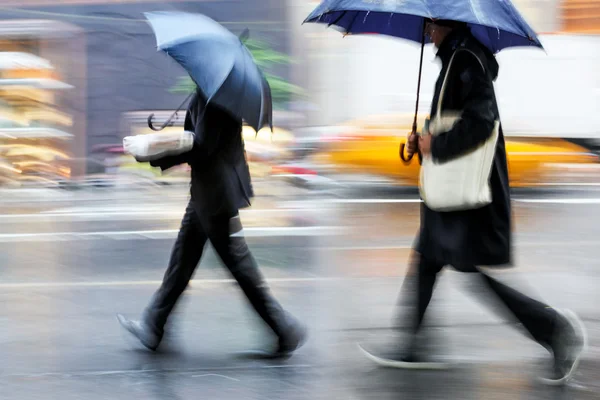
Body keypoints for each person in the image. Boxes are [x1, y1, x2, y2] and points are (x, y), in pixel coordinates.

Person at [361, 19, 586, 385]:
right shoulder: (454, 58)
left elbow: (481, 123)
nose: (426, 30)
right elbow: (451, 122)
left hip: (468, 191)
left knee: (465, 268)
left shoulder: (465, 60)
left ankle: (555, 330)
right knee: (428, 259)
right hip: (454, 187)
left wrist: (437, 145)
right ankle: (414, 345)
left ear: (447, 22)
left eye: (431, 25)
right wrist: (421, 143)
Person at [117, 90, 307, 358]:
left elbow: (201, 146)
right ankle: (154, 326)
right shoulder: (208, 92)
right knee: (182, 262)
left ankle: (284, 329)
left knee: (239, 268)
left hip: (216, 197)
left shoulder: (217, 96)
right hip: (207, 195)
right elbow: (196, 141)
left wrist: (150, 152)